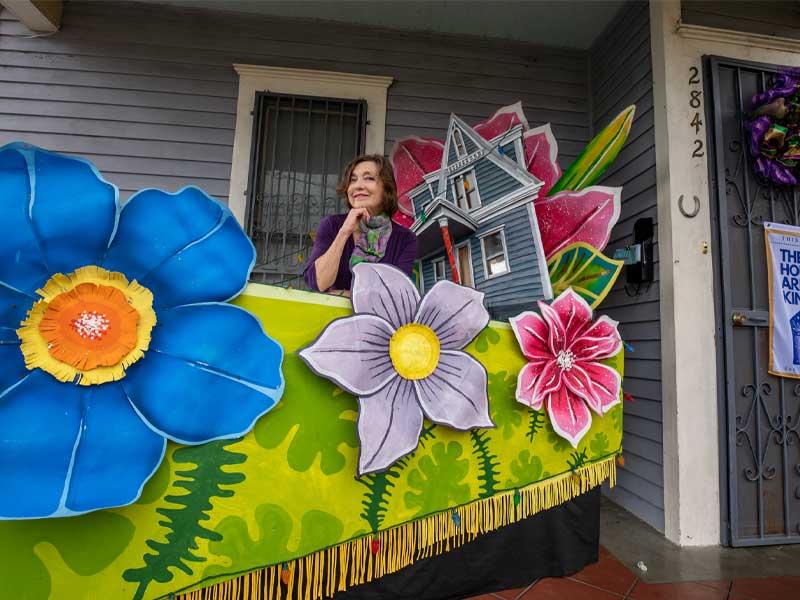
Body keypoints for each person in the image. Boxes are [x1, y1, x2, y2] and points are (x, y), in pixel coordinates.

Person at [304, 154, 417, 295]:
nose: (358, 186)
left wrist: (342, 294)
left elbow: (397, 295)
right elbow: (318, 283)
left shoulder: (405, 239)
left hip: (377, 318)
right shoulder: (332, 225)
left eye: (369, 178)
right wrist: (344, 232)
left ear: (386, 188)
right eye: (353, 180)